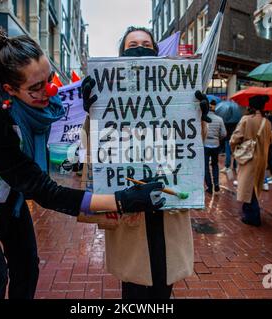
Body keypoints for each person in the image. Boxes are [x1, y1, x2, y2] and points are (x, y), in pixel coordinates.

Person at [0, 28, 166, 299]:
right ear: (10, 89)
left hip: (10, 198)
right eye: (36, 87)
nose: (50, 90)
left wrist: (99, 101)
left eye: (50, 79)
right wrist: (122, 200)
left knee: (27, 266)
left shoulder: (39, 104)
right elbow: (45, 192)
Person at [80, 26, 209, 299]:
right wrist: (93, 112)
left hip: (168, 209)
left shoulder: (174, 98)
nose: (139, 47)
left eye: (146, 43)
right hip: (131, 212)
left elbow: (191, 147)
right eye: (132, 44)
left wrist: (199, 115)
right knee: (135, 288)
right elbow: (92, 150)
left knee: (163, 284)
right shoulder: (106, 102)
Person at [230, 95, 272, 227]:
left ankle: (253, 215)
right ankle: (249, 212)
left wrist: (236, 149)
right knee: (254, 186)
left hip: (249, 158)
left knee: (248, 187)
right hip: (262, 158)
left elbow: (235, 138)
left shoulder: (246, 119)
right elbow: (271, 139)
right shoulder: (267, 122)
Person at [204, 100, 226, 194]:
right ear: (214, 107)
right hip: (216, 145)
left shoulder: (204, 119)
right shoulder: (219, 119)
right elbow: (224, 133)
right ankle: (216, 184)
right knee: (215, 165)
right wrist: (217, 138)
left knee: (205, 166)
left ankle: (209, 186)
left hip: (205, 144)